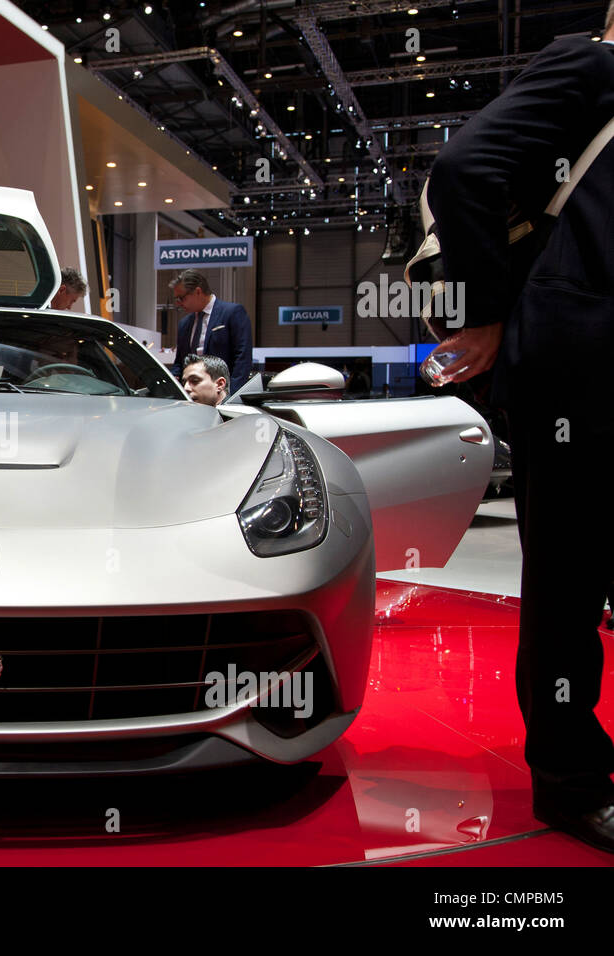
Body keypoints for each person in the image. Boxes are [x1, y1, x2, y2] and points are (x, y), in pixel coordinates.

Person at [427, 8, 614, 851]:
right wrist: (488, 314)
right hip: (581, 357)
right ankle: (573, 781)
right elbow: (465, 169)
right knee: (572, 576)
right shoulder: (592, 64)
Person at [169, 269, 252, 389]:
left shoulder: (232, 313)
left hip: (223, 393)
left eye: (181, 298)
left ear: (198, 291)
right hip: (192, 395)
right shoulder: (184, 324)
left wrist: (231, 395)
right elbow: (180, 362)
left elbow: (242, 359)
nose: (178, 303)